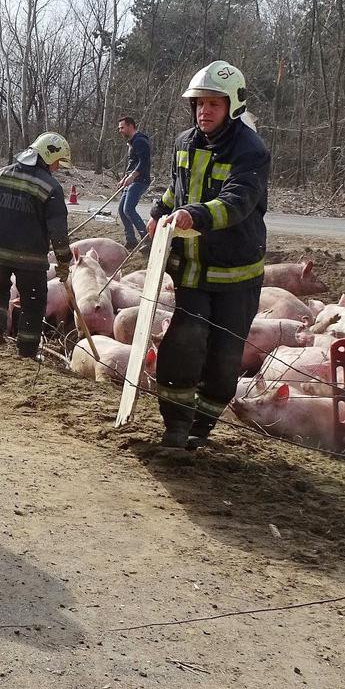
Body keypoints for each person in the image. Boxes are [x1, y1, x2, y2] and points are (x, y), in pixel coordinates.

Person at [147, 60, 270, 450]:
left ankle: (202, 426)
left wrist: (194, 215)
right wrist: (159, 211)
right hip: (191, 269)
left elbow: (238, 202)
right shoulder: (185, 142)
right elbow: (177, 189)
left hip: (235, 273)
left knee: (224, 356)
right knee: (185, 339)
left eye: (214, 104)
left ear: (232, 105)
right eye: (199, 104)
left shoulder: (251, 151)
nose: (204, 111)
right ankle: (175, 426)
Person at [0, 132, 73, 357]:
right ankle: (26, 351)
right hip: (32, 260)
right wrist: (64, 261)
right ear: (46, 155)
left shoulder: (0, 176)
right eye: (56, 162)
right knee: (33, 302)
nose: (57, 168)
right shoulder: (50, 187)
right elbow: (58, 231)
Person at [116, 117, 151, 248]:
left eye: (122, 127)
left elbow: (144, 162)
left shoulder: (140, 141)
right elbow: (133, 163)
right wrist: (125, 178)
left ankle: (147, 238)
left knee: (128, 209)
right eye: (119, 128)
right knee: (121, 209)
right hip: (132, 180)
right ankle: (131, 240)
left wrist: (132, 176)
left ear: (131, 126)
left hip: (140, 181)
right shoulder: (132, 142)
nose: (120, 130)